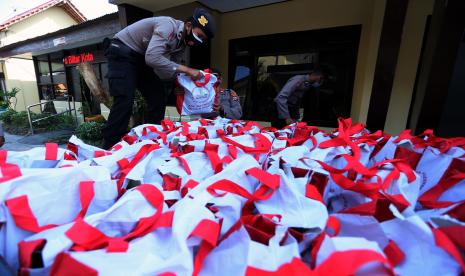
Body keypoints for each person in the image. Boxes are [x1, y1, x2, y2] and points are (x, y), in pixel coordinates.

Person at [102, 8, 216, 149]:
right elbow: (153, 58)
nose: (199, 40)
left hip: (142, 59)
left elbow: (169, 70)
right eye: (199, 35)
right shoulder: (168, 26)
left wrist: (185, 85)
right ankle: (109, 145)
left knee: (158, 96)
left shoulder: (182, 44)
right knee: (125, 99)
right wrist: (188, 70)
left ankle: (151, 137)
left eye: (203, 39)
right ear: (188, 26)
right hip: (122, 51)